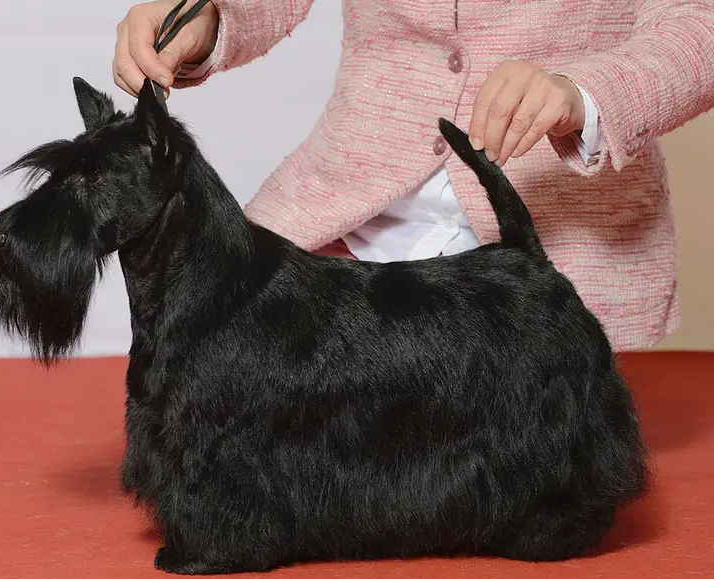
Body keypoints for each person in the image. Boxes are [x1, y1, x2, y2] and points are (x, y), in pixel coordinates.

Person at [113, 0, 714, 352]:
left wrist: (584, 93)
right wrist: (210, 18)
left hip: (554, 242)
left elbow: (699, 24)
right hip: (342, 214)